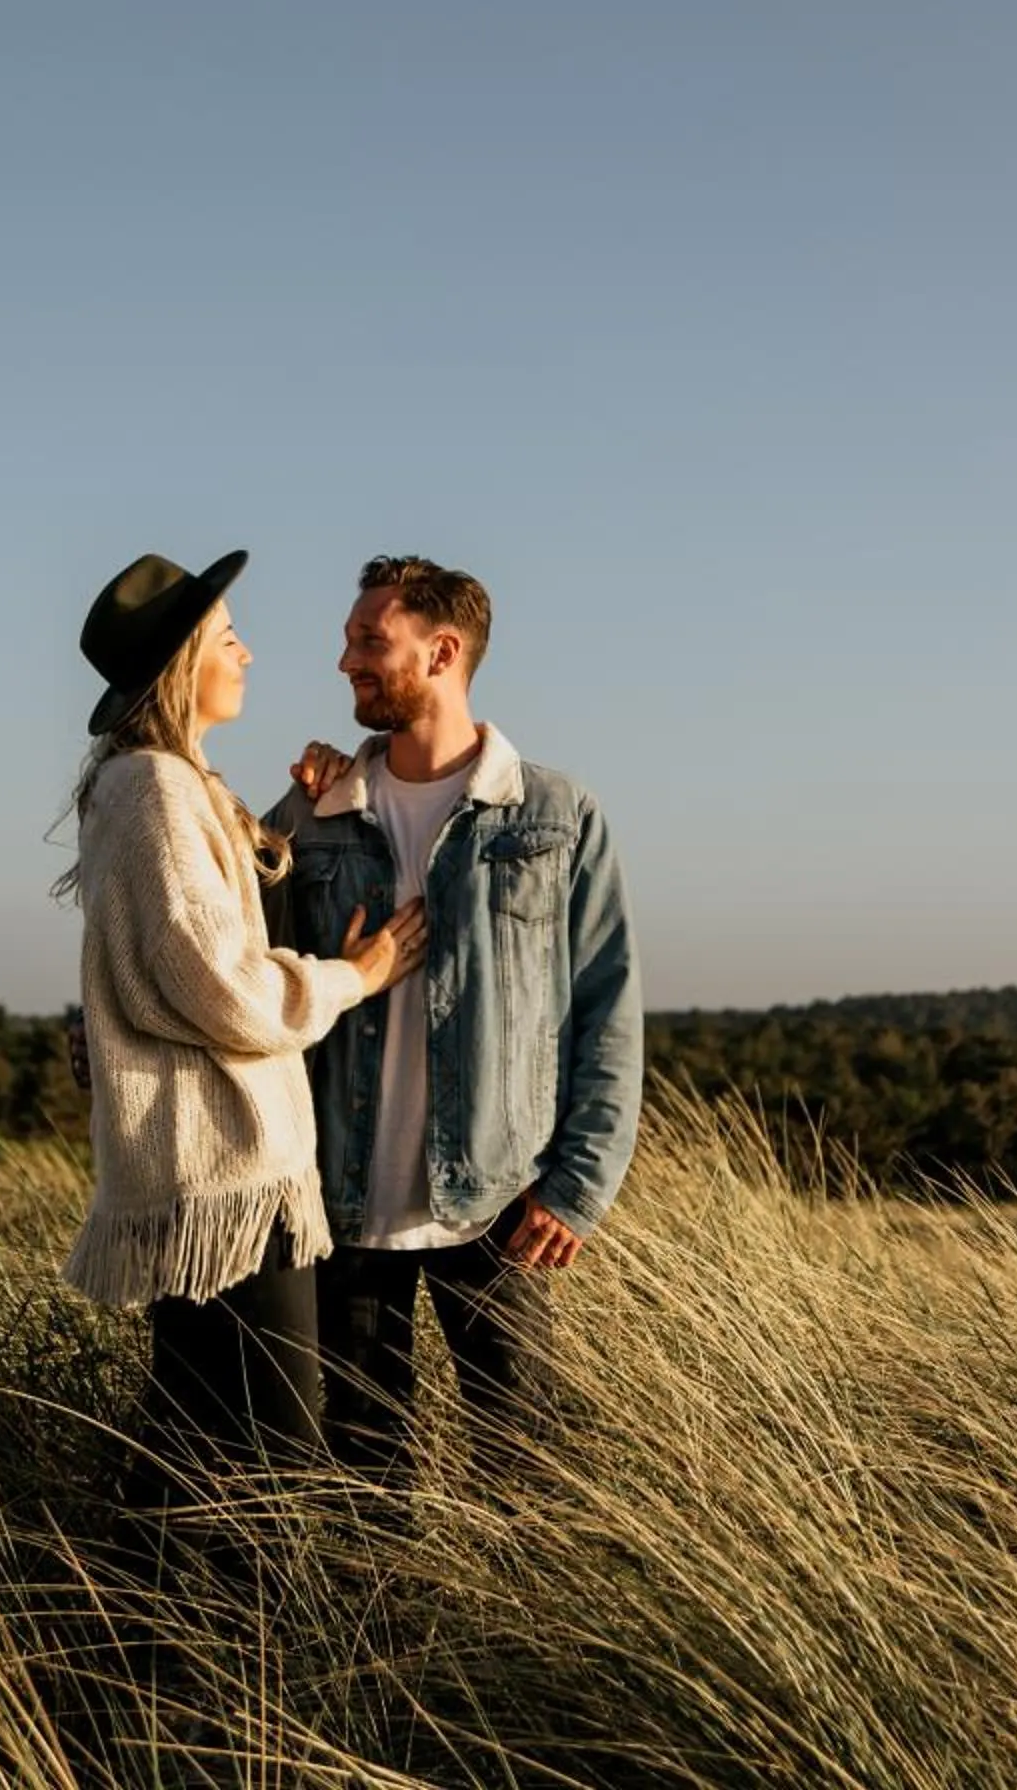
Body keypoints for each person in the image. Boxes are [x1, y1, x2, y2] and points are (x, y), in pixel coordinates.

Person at [264, 555, 642, 1486]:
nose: (345, 659)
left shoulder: (556, 815)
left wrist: (578, 1183)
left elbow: (606, 1004)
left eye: (367, 641)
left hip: (501, 1202)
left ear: (441, 652)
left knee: (524, 1479)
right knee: (363, 1485)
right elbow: (229, 961)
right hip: (340, 1208)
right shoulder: (310, 814)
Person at [57, 548, 427, 1488]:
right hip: (220, 1179)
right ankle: (234, 1637)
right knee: (268, 1462)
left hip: (207, 1182)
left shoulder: (170, 787)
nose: (248, 653)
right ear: (186, 662)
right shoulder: (155, 790)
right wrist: (353, 976)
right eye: (228, 636)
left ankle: (147, 1631)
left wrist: (302, 808)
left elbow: (209, 912)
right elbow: (218, 983)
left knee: (201, 1449)